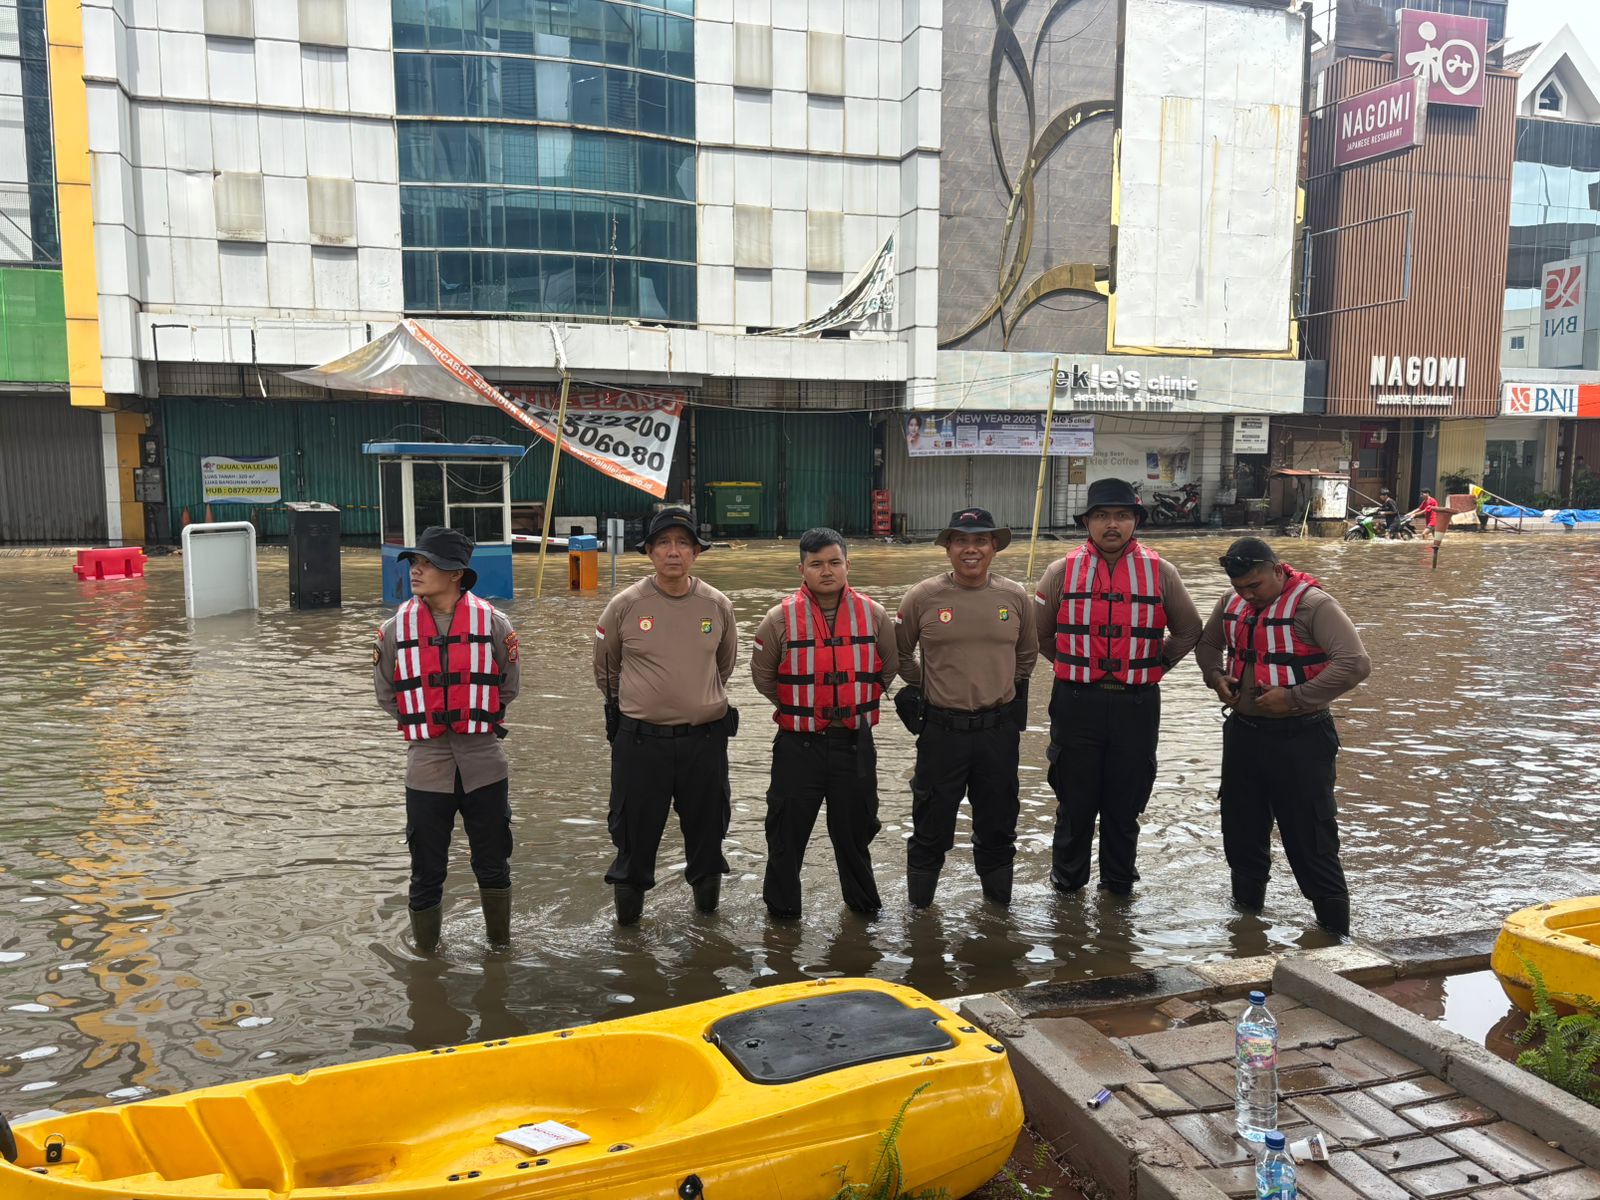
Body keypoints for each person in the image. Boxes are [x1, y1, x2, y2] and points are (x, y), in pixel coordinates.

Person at [1033, 478, 1202, 896]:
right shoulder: (1061, 571)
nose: (1113, 525)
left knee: (1125, 808)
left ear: (1136, 521)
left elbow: (1189, 629)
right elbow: (1040, 636)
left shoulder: (1162, 572)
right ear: (1087, 522)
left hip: (1137, 704)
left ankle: (1118, 892)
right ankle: (1067, 892)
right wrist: (1075, 665)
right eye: (1102, 516)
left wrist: (1155, 663)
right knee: (1074, 807)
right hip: (1077, 703)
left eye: (1122, 516)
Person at [1194, 537, 1372, 936]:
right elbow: (1208, 645)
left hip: (1301, 738)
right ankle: (1246, 930)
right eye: (1240, 588)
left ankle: (1335, 939)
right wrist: (1216, 677)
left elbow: (1356, 663)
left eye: (1254, 586)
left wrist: (1295, 698)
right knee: (1241, 834)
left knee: (1310, 838)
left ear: (1278, 570)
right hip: (1244, 736)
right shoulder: (1231, 602)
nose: (1247, 595)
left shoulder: (1313, 606)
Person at [373, 526, 521, 953]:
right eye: (414, 563)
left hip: (484, 761)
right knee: (426, 870)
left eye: (427, 563)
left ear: (456, 573)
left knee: (493, 864)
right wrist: (426, 723)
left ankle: (499, 951)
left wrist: (472, 716)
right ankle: (425, 957)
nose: (416, 571)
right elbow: (386, 694)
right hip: (426, 764)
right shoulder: (394, 630)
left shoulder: (494, 624)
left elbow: (508, 687)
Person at [593, 508, 738, 925]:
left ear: (695, 552)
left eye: (682, 544)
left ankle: (707, 928)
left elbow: (723, 666)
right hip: (640, 744)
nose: (673, 552)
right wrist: (648, 703)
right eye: (664, 543)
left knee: (708, 839)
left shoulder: (717, 604)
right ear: (650, 552)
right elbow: (606, 670)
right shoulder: (626, 605)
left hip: (704, 743)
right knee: (633, 841)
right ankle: (628, 940)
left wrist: (693, 698)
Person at [750, 528, 899, 918]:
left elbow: (889, 667)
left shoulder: (875, 614)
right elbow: (764, 677)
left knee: (855, 839)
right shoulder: (778, 619)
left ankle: (864, 921)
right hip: (799, 748)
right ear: (802, 568)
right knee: (785, 838)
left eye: (834, 562)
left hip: (854, 744)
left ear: (848, 565)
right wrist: (803, 707)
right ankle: (782, 923)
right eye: (817, 564)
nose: (827, 571)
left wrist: (853, 701)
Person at [895, 508, 1037, 907]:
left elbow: (1027, 656)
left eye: (980, 540)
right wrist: (932, 684)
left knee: (998, 827)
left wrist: (999, 684)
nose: (970, 549)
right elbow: (901, 654)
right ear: (948, 548)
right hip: (941, 732)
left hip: (998, 733)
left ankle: (998, 918)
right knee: (930, 828)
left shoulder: (1015, 597)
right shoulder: (922, 596)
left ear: (994, 547)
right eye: (961, 540)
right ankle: (920, 921)